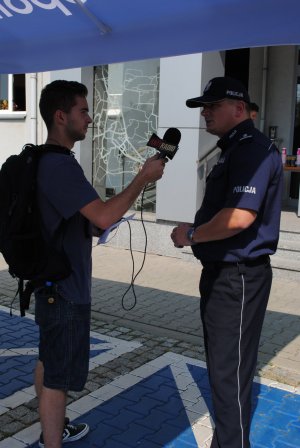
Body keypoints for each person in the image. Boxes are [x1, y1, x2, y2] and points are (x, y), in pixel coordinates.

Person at [34, 80, 166, 448]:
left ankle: (53, 428)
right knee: (58, 376)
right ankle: (52, 440)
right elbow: (106, 216)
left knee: (50, 362)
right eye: (83, 110)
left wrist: (95, 220)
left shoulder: (51, 161)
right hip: (64, 290)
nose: (90, 118)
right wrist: (143, 177)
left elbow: (89, 218)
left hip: (51, 286)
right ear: (61, 117)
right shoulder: (59, 166)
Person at [171, 77, 283, 448]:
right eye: (203, 106)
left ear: (238, 108)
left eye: (212, 105)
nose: (204, 112)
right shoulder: (235, 147)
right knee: (225, 372)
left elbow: (238, 218)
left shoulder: (252, 149)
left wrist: (191, 235)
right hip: (226, 275)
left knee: (228, 375)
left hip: (238, 277)